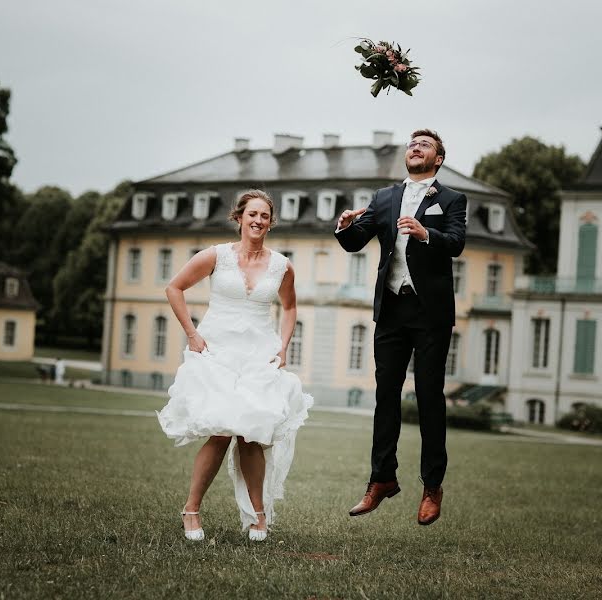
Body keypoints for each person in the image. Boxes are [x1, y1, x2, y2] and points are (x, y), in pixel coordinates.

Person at [156, 189, 313, 542]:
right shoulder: (216, 256)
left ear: (271, 223)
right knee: (222, 430)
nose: (258, 221)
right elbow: (174, 288)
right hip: (218, 353)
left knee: (251, 434)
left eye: (265, 216)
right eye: (252, 214)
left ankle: (259, 516)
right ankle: (191, 510)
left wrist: (284, 346)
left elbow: (289, 308)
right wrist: (192, 334)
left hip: (259, 355)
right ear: (239, 217)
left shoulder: (281, 266)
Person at [334, 129, 467, 526]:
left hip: (431, 314)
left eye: (424, 145)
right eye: (412, 143)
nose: (415, 147)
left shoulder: (451, 199)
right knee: (385, 397)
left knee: (429, 399)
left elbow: (457, 242)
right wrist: (343, 227)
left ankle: (432, 486)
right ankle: (382, 480)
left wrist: (428, 234)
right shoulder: (385, 197)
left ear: (437, 159)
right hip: (391, 309)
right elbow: (358, 240)